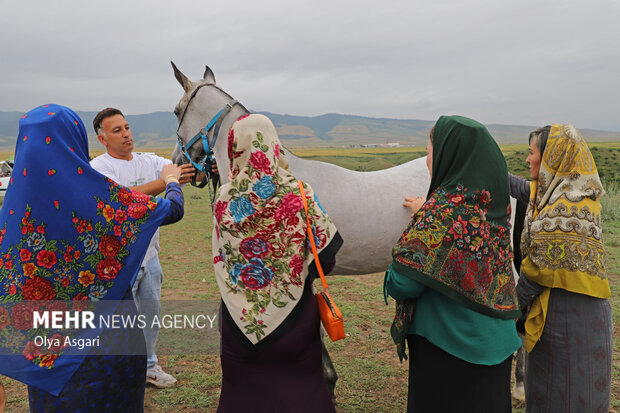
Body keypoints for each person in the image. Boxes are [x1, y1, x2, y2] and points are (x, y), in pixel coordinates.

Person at [0, 104, 185, 411]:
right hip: (112, 336)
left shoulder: (11, 211)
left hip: (48, 348)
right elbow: (172, 210)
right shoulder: (96, 196)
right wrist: (172, 181)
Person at [384, 115, 522, 412]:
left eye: (430, 151)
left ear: (449, 155)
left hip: (449, 349)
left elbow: (402, 283)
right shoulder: (493, 206)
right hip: (497, 344)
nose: (427, 160)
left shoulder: (441, 211)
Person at [212, 114, 343, 412]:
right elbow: (328, 257)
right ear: (274, 146)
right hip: (296, 319)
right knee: (303, 393)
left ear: (236, 149)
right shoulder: (299, 192)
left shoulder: (224, 199)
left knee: (242, 395)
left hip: (238, 323)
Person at [509, 124, 612, 412]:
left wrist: (508, 310)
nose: (527, 160)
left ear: (554, 159)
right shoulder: (558, 195)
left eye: (532, 153)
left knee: (566, 396)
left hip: (570, 321)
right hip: (567, 315)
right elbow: (519, 188)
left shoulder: (566, 206)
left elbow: (537, 270)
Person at [90, 107, 195, 388]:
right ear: (102, 139)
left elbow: (173, 168)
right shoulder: (100, 168)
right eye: (117, 130)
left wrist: (192, 168)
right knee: (122, 322)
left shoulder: (148, 161)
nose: (126, 134)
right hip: (118, 263)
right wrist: (166, 182)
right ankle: (124, 371)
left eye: (126, 127)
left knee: (150, 316)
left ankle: (149, 366)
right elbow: (120, 200)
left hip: (150, 257)